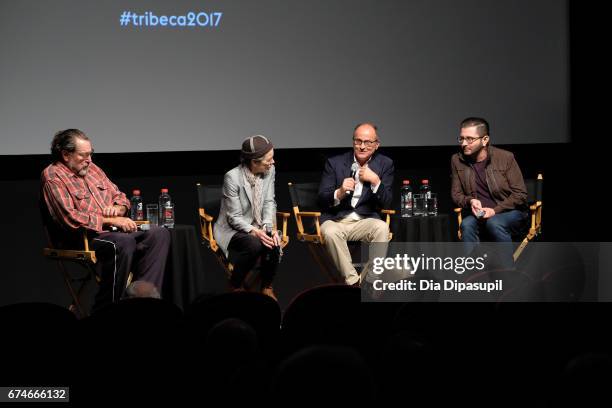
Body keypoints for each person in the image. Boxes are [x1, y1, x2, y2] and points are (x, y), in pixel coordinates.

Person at [41, 129, 170, 311]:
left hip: (111, 233)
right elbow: (70, 217)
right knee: (122, 243)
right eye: (83, 155)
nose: (89, 160)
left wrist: (118, 208)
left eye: (90, 154)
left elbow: (121, 197)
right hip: (80, 237)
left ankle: (144, 303)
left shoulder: (93, 169)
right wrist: (111, 221)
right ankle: (108, 309)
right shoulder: (53, 176)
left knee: (159, 234)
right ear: (65, 155)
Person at [318, 123, 394, 286]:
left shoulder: (385, 164)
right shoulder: (335, 163)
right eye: (358, 141)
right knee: (329, 231)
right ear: (353, 142)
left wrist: (375, 181)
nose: (362, 146)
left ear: (376, 145)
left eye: (368, 142)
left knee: (382, 228)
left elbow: (387, 202)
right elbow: (321, 200)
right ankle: (354, 283)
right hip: (337, 220)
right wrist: (339, 192)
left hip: (364, 221)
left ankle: (372, 280)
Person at [451, 117, 528, 268]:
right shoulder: (456, 160)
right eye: (461, 138)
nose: (464, 143)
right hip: (480, 214)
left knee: (495, 222)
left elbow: (520, 195)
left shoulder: (505, 158)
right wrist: (470, 201)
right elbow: (456, 194)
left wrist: (495, 210)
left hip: (510, 212)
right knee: (466, 224)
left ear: (485, 139)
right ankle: (473, 274)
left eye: (470, 139)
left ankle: (507, 274)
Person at [214, 135, 282, 300]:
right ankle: (236, 285)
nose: (273, 162)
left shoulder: (269, 170)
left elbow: (269, 202)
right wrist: (255, 231)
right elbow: (234, 218)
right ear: (254, 162)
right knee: (254, 244)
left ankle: (266, 287)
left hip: (258, 224)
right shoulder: (232, 177)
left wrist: (267, 227)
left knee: (273, 240)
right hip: (233, 228)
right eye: (269, 160)